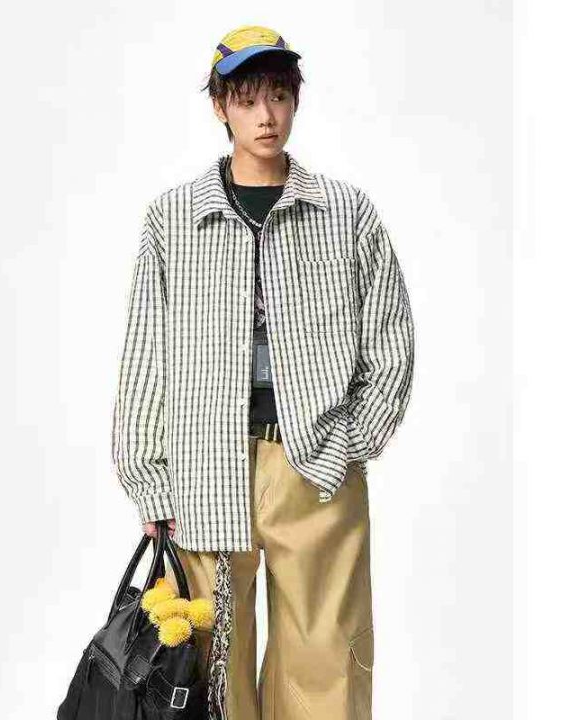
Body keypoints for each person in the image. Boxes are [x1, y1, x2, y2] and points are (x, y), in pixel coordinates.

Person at [111, 24, 415, 720]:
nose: (266, 115)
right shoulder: (173, 219)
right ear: (221, 107)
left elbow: (391, 340)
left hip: (315, 466)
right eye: (248, 100)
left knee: (326, 660)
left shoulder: (346, 213)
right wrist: (148, 476)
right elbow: (145, 355)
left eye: (278, 96)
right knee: (207, 672)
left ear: (296, 100)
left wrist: (351, 441)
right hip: (203, 468)